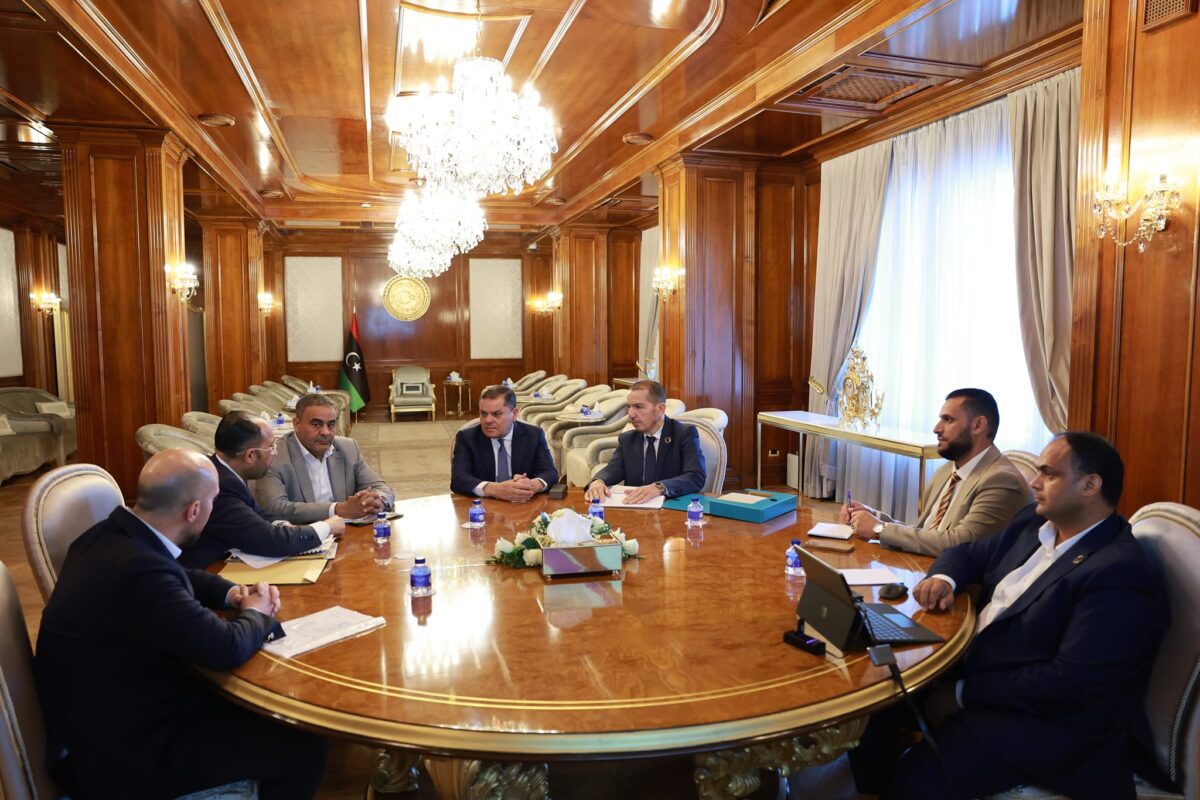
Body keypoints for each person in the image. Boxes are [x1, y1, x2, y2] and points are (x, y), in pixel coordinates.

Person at [852, 432, 1168, 799]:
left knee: (917, 781)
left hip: (1043, 723)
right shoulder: (1034, 524)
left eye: (1049, 474)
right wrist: (944, 579)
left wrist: (962, 694)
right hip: (977, 669)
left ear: (1090, 485)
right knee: (869, 701)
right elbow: (966, 553)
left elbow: (1069, 684)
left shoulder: (1117, 573)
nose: (1034, 482)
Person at [35, 449, 328, 798]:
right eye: (212, 502)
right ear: (194, 511)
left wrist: (231, 593)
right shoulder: (142, 573)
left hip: (104, 716)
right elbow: (226, 648)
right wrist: (258, 613)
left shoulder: (105, 536)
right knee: (305, 746)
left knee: (261, 712)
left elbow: (178, 573)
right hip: (123, 754)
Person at [842, 388, 1030, 555]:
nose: (937, 429)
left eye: (948, 420)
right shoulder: (946, 471)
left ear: (978, 425)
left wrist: (879, 529)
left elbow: (959, 543)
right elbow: (926, 534)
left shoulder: (1001, 480)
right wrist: (873, 517)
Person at [179, 410, 344, 568]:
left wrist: (283, 525)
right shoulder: (219, 487)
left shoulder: (224, 471)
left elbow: (257, 513)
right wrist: (326, 527)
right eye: (271, 448)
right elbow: (270, 541)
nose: (275, 454)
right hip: (204, 573)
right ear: (250, 455)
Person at [255, 393, 394, 523]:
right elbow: (276, 508)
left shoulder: (347, 448)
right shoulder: (274, 456)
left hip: (346, 532)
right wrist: (338, 509)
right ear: (297, 424)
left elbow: (380, 487)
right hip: (301, 534)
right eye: (316, 424)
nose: (325, 432)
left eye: (331, 425)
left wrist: (378, 501)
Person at [584, 380, 706, 503]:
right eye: (629, 407)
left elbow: (695, 477)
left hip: (670, 506)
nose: (631, 414)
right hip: (634, 507)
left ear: (660, 409)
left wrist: (659, 487)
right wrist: (598, 481)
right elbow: (613, 469)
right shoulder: (628, 439)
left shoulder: (683, 434)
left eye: (638, 407)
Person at [451, 384, 557, 502]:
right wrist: (495, 489)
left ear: (514, 414)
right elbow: (458, 479)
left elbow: (550, 472)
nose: (488, 420)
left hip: (524, 506)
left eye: (496, 414)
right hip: (484, 506)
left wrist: (532, 485)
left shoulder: (533, 435)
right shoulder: (467, 438)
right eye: (483, 414)